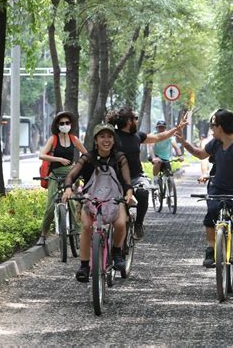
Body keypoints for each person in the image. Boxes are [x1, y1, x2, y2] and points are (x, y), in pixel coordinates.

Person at [175, 77, 233, 270]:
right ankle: (211, 249)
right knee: (211, 213)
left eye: (213, 125)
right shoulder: (215, 143)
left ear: (221, 127)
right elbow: (201, 154)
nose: (211, 129)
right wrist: (185, 144)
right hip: (217, 187)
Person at [62, 123, 134, 282]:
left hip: (115, 197)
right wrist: (68, 188)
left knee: (121, 223)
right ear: (96, 140)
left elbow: (127, 182)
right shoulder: (87, 158)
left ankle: (116, 253)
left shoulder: (120, 158)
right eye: (102, 136)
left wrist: (128, 194)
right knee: (87, 227)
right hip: (90, 199)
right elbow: (70, 176)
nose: (106, 140)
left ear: (114, 140)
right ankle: (84, 266)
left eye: (109, 136)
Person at [106, 107, 188, 240]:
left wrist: (177, 128)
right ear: (128, 121)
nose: (137, 121)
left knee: (143, 192)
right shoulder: (112, 136)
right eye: (135, 119)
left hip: (136, 177)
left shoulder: (138, 136)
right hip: (115, 179)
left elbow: (158, 137)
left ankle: (138, 224)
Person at [36, 112, 87, 246]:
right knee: (50, 206)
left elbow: (86, 154)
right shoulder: (53, 139)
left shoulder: (74, 139)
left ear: (71, 125)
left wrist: (79, 165)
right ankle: (43, 235)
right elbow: (41, 155)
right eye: (62, 123)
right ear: (57, 125)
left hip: (71, 175)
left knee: (72, 202)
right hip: (55, 175)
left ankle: (79, 231)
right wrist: (58, 159)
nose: (65, 125)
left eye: (67, 123)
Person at [148, 120, 184, 187]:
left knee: (170, 176)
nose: (161, 129)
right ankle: (155, 180)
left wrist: (180, 155)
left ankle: (170, 193)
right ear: (156, 128)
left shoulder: (169, 136)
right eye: (159, 127)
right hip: (155, 156)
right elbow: (151, 147)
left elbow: (176, 147)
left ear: (165, 128)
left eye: (162, 127)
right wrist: (153, 158)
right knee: (158, 162)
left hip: (165, 158)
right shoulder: (153, 135)